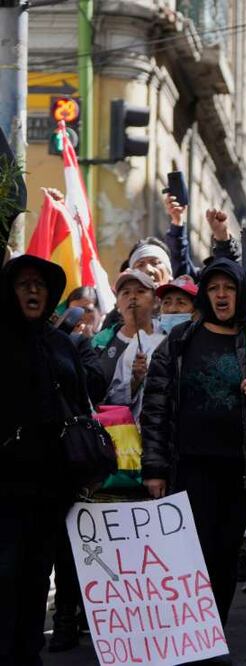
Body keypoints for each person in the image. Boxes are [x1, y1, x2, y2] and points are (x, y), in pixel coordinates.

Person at [140, 258, 246, 630]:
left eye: (229, 288)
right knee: (191, 554)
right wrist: (155, 469)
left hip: (240, 470)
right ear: (205, 295)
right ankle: (188, 632)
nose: (222, 295)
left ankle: (213, 634)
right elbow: (156, 408)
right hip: (190, 467)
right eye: (214, 288)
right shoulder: (179, 342)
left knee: (225, 555)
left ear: (240, 292)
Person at [0, 255, 94, 666]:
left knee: (38, 577)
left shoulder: (59, 344)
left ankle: (28, 654)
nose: (34, 290)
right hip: (4, 488)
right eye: (24, 284)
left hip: (53, 486)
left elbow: (80, 401)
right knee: (5, 576)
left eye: (40, 285)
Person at [101, 270, 165, 420]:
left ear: (156, 301)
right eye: (125, 293)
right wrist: (135, 381)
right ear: (117, 304)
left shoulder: (168, 338)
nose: (133, 297)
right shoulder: (101, 343)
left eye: (141, 291)